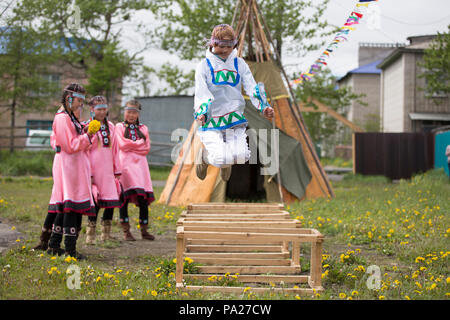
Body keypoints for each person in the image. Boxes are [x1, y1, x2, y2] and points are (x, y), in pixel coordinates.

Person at [194, 24, 274, 181]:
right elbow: (201, 91)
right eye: (221, 46)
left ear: (234, 45)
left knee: (242, 156)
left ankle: (226, 163)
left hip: (234, 117)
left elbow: (251, 86)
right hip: (212, 118)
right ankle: (204, 158)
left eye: (229, 46)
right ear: (213, 44)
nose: (225, 50)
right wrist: (201, 111)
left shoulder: (240, 64)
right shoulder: (203, 66)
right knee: (221, 158)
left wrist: (263, 107)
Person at [34, 83, 99, 259]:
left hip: (75, 166)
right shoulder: (62, 118)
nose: (81, 105)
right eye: (79, 100)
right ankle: (69, 250)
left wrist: (85, 130)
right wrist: (88, 136)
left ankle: (54, 245)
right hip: (69, 166)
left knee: (67, 206)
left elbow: (74, 137)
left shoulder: (70, 117)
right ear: (69, 98)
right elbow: (70, 145)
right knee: (70, 205)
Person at [115, 99, 155, 241]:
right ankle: (126, 231)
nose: (131, 115)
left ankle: (144, 230)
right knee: (124, 198)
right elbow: (122, 144)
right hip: (125, 165)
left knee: (142, 199)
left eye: (134, 113)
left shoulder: (143, 128)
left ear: (138, 114)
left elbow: (146, 148)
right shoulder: (119, 127)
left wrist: (132, 145)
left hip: (140, 167)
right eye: (129, 112)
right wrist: (138, 144)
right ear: (124, 112)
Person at [84, 96, 122, 244]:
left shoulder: (111, 126)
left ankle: (106, 234)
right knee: (96, 201)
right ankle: (90, 235)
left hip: (108, 169)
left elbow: (115, 149)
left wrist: (116, 169)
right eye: (99, 109)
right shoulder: (88, 126)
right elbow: (85, 150)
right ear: (92, 110)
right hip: (94, 168)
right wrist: (89, 173)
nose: (102, 112)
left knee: (111, 200)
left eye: (104, 109)